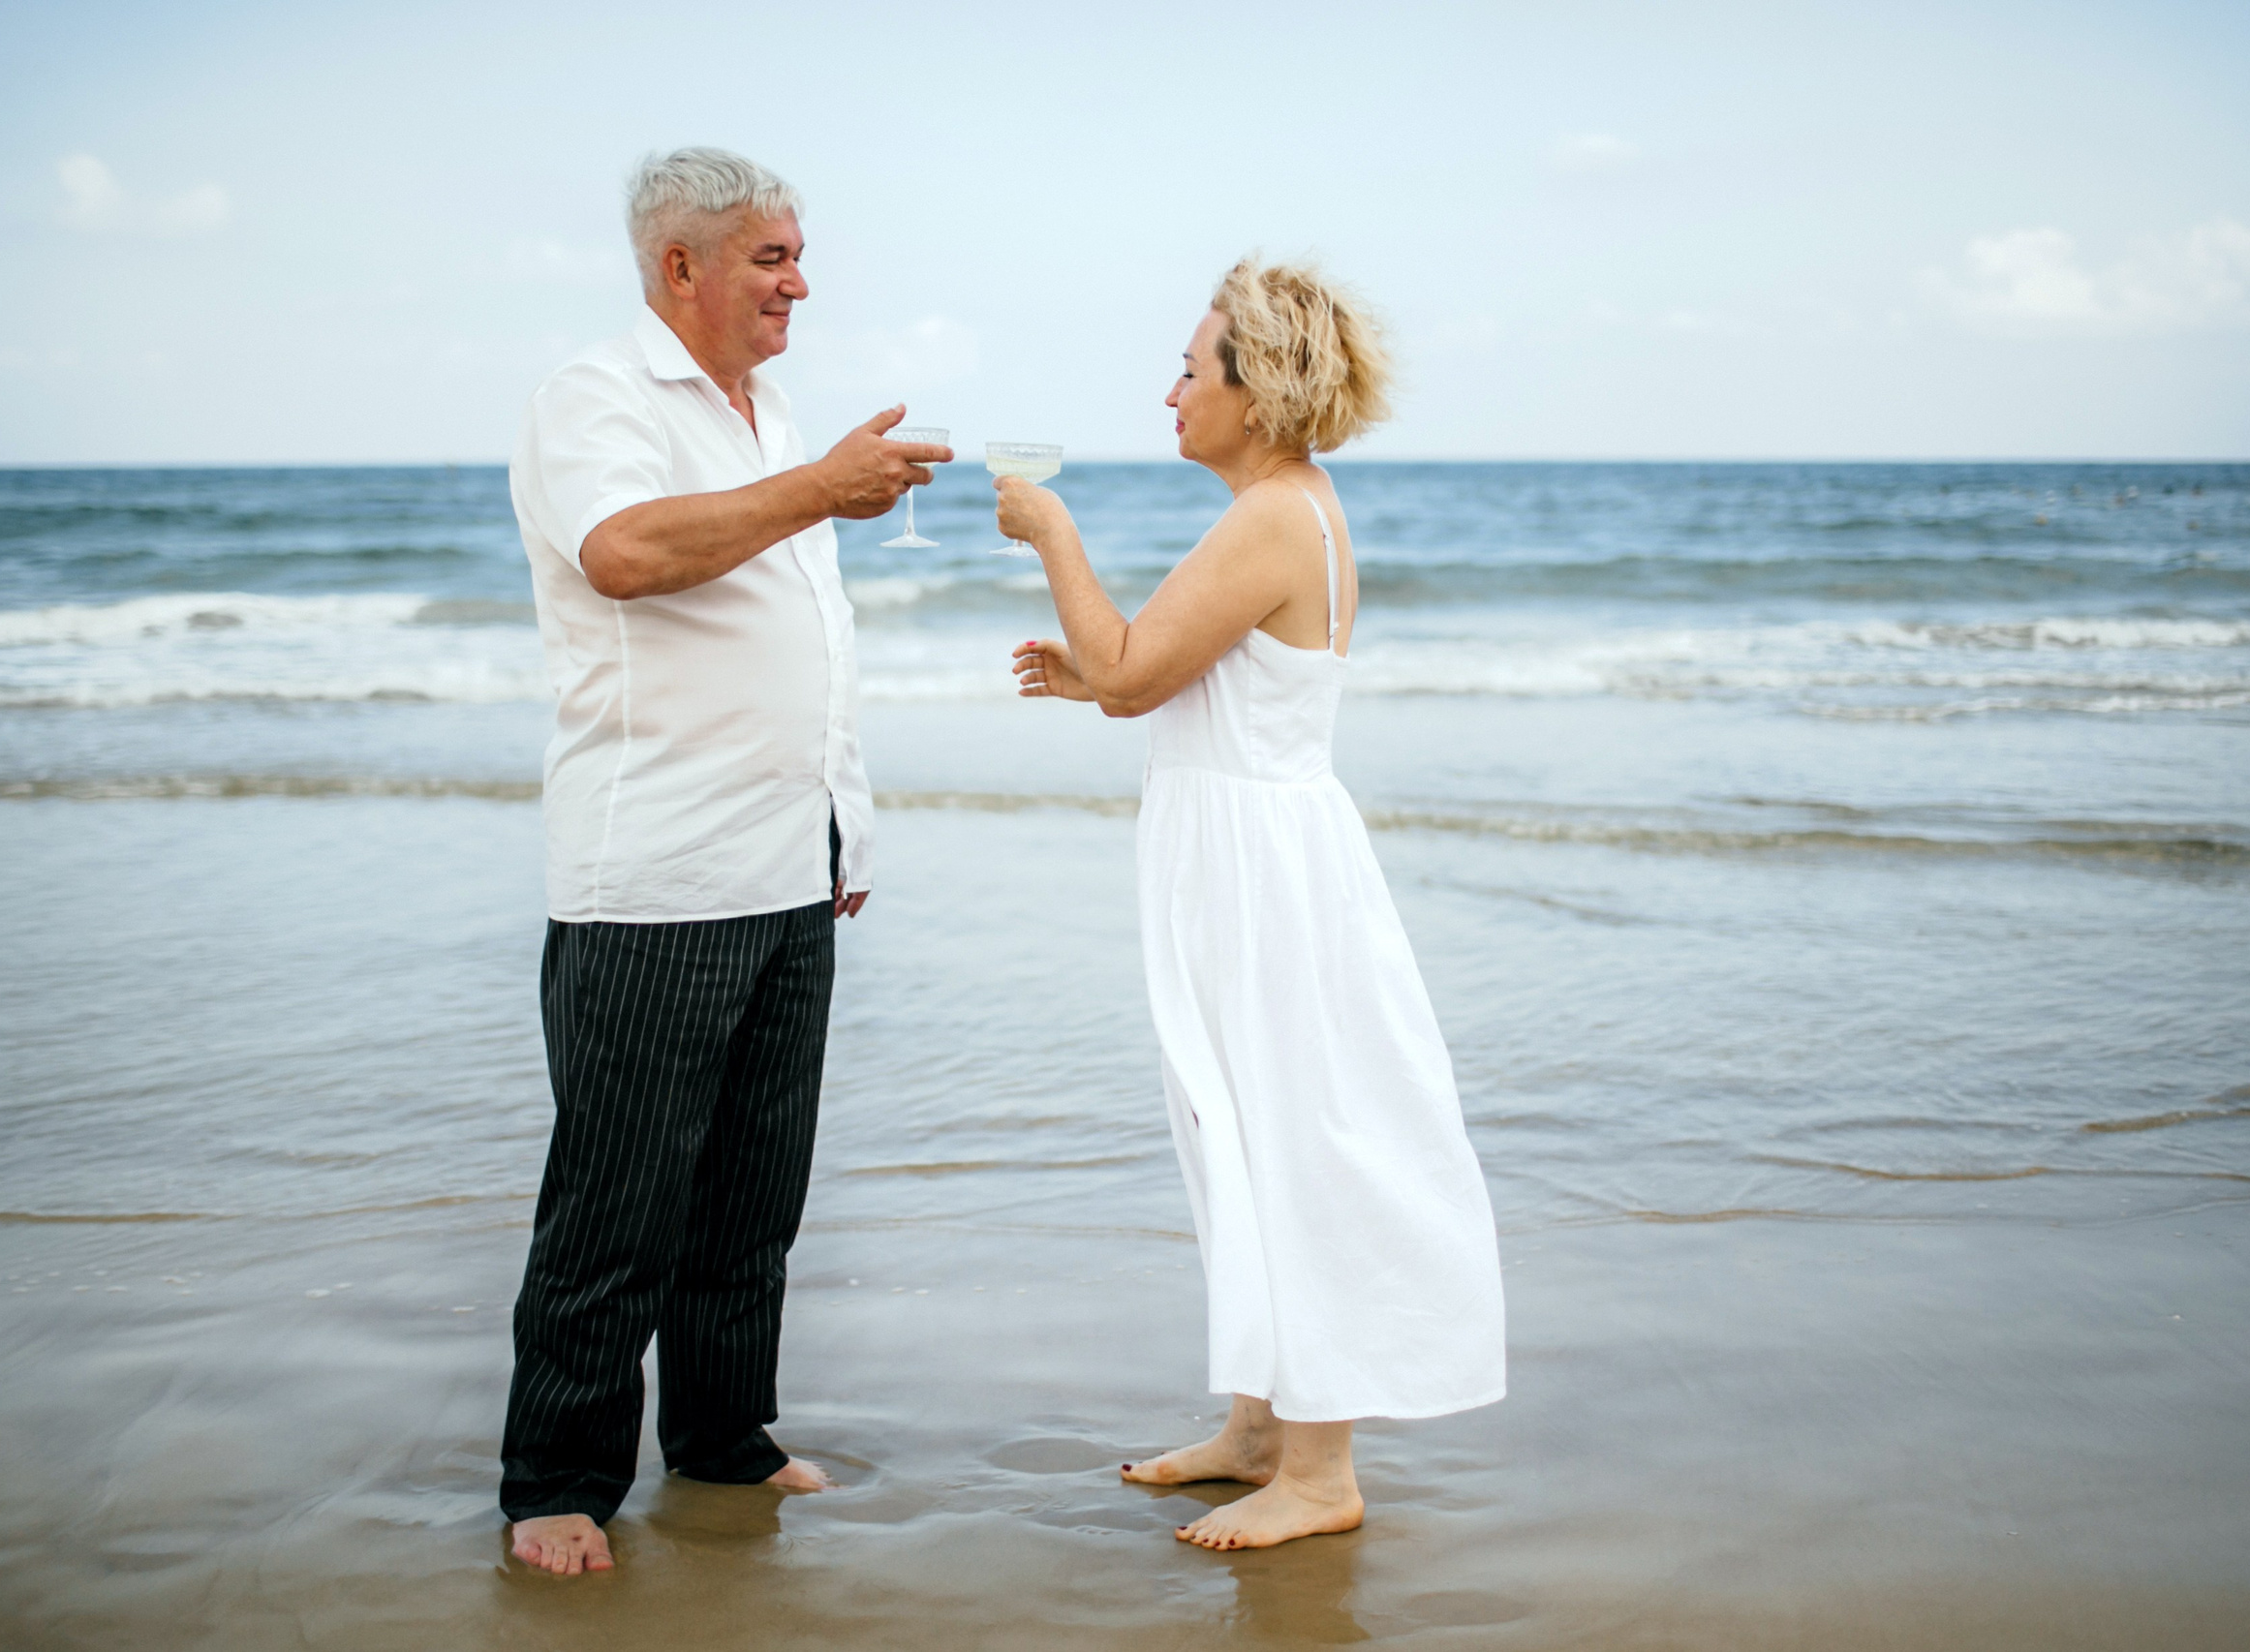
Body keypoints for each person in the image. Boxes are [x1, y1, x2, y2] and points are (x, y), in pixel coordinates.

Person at [1000, 260, 1507, 1550]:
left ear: (1256, 384)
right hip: (1248, 857)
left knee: (1291, 1139)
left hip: (1266, 880)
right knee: (1232, 1126)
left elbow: (1129, 671)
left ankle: (1321, 1469)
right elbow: (1168, 673)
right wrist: (1099, 678)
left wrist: (1053, 535)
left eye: (1190, 365)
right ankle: (1259, 1424)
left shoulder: (1277, 515)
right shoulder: (1286, 507)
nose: (1169, 389)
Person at [498, 146, 951, 1576]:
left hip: (785, 863)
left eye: (798, 255)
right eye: (770, 257)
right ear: (678, 264)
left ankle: (723, 1437)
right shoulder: (600, 399)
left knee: (754, 1195)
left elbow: (804, 637)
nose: (798, 282)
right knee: (617, 1203)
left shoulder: (777, 420)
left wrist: (844, 821)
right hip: (656, 873)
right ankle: (555, 1482)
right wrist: (820, 490)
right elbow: (626, 554)